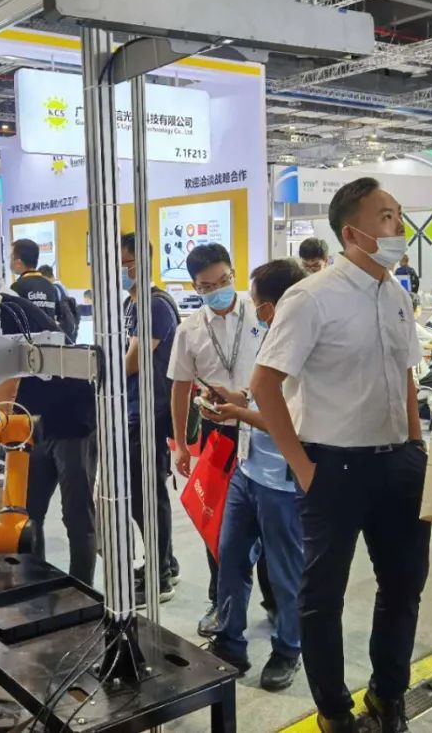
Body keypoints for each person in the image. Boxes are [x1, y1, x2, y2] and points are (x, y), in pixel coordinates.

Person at [251, 178, 429, 733]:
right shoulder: (311, 297)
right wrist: (304, 468)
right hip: (334, 466)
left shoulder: (396, 293)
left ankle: (387, 695)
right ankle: (332, 710)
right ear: (352, 233)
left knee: (403, 586)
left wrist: (416, 446)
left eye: (399, 213)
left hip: (399, 464)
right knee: (323, 596)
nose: (399, 226)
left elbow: (405, 375)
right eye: (386, 216)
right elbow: (264, 385)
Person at [0, 244, 98, 585]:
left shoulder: (14, 315)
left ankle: (82, 592)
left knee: (76, 516)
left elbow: (7, 391)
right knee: (27, 512)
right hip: (29, 421)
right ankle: (36, 586)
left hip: (70, 418)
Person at [205, 259, 308, 691]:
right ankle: (230, 642)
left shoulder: (307, 345)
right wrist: (236, 397)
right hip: (247, 472)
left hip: (282, 482)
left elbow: (292, 422)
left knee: (285, 572)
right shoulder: (271, 336)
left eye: (257, 302)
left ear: (269, 307)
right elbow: (259, 392)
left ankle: (289, 649)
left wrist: (239, 412)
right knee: (230, 558)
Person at [168, 242, 270, 638]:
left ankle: (276, 602)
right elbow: (180, 388)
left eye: (223, 280)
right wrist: (181, 443)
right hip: (218, 434)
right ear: (195, 288)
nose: (218, 290)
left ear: (233, 274)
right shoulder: (190, 329)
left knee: (271, 521)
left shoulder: (262, 313)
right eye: (207, 286)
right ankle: (220, 601)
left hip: (265, 426)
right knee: (218, 522)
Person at [120, 232, 179, 607]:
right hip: (132, 409)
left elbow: (135, 359)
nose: (122, 270)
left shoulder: (156, 305)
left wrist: (105, 372)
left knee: (148, 495)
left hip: (150, 412)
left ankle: (160, 577)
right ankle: (163, 561)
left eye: (126, 263)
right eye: (119, 264)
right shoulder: (131, 303)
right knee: (138, 495)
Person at [10, 239, 61, 321]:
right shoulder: (51, 287)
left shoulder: (17, 287)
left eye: (11, 257)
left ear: (19, 263)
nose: (10, 261)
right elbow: (57, 318)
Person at [39, 264, 80, 343]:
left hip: (63, 326)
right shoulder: (61, 287)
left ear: (45, 277)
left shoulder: (54, 288)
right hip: (69, 325)